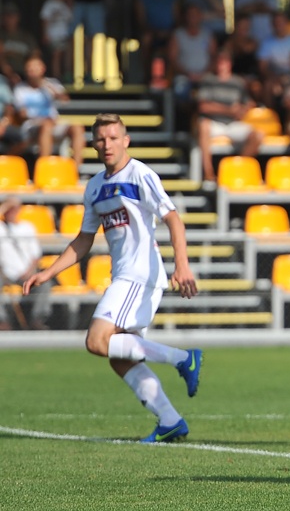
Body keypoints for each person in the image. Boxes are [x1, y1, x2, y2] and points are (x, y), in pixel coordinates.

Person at [23, 113, 204, 442]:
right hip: (124, 275)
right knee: (119, 359)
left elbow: (173, 219)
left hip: (140, 275)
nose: (107, 144)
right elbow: (83, 239)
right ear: (93, 144)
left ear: (126, 140)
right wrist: (47, 272)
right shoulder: (94, 186)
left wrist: (182, 264)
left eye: (113, 137)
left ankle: (184, 358)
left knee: (96, 341)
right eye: (101, 139)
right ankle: (170, 420)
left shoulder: (140, 175)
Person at [195, 51, 263, 184]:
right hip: (214, 123)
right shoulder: (208, 80)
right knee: (203, 126)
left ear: (230, 64)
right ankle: (208, 173)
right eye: (219, 62)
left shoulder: (238, 82)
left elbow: (249, 103)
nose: (222, 65)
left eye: (225, 62)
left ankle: (236, 169)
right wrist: (228, 110)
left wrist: (242, 110)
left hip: (233, 124)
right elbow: (203, 106)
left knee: (258, 135)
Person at [13, 57, 85, 165]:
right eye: (29, 68)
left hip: (53, 122)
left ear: (42, 68)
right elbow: (22, 114)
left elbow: (65, 100)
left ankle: (75, 169)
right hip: (32, 125)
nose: (32, 70)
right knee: (46, 126)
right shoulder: (20, 89)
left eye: (35, 67)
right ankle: (44, 168)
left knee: (77, 127)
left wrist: (52, 90)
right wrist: (42, 119)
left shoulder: (51, 83)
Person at [0, 197, 51, 330]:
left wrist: (29, 272)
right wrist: (5, 206)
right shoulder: (1, 228)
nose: (12, 212)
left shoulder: (27, 227)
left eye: (14, 208)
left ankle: (37, 320)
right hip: (5, 275)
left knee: (44, 283)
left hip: (27, 272)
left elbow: (36, 255)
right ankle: (2, 321)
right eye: (9, 209)